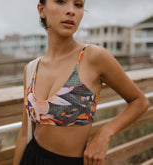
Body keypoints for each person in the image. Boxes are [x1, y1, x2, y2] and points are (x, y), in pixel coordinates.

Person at [13, 0, 150, 165]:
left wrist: (104, 133)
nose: (71, 11)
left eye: (78, 4)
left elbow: (140, 102)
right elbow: (24, 132)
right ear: (42, 10)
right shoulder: (31, 68)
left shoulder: (93, 57)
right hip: (31, 157)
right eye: (61, 1)